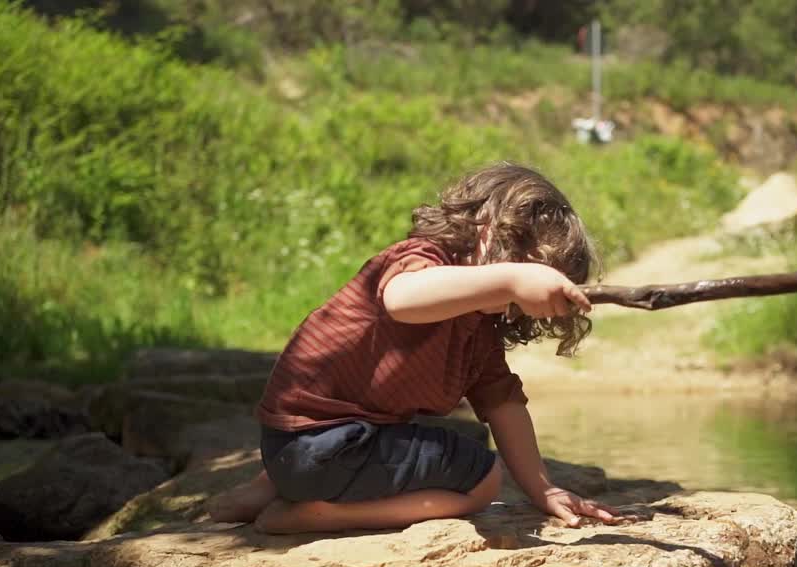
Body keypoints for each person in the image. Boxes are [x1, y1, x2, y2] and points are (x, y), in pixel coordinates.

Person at [207, 162, 622, 534]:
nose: (517, 294)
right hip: (319, 448)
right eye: (519, 263)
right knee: (482, 480)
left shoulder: (478, 328)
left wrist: (544, 490)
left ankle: (264, 491)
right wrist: (511, 278)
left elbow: (504, 405)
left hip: (300, 448)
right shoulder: (419, 262)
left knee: (438, 437)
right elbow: (402, 300)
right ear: (483, 230)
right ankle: (316, 515)